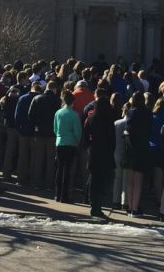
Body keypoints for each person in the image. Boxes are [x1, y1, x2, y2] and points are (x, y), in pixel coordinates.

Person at [84, 89, 116, 219]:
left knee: (93, 178)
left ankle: (93, 204)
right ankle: (98, 205)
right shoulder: (108, 119)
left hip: (93, 151)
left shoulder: (90, 118)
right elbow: (112, 138)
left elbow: (86, 136)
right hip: (105, 153)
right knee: (102, 180)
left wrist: (88, 147)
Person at [124, 91, 153, 216]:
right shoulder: (148, 113)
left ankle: (130, 207)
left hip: (131, 148)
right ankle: (135, 208)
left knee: (130, 180)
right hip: (143, 147)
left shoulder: (131, 112)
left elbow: (128, 130)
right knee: (138, 180)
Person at [28, 81, 60, 189]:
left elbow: (30, 115)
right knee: (50, 160)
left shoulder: (37, 98)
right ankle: (49, 183)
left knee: (38, 158)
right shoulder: (57, 100)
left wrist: (36, 125)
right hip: (52, 133)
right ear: (54, 89)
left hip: (39, 132)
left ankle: (36, 182)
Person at [53, 90, 82, 202]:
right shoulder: (74, 115)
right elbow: (77, 132)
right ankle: (64, 196)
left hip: (60, 142)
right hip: (71, 143)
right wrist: (77, 142)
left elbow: (55, 129)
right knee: (68, 170)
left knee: (59, 169)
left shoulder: (58, 113)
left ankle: (57, 194)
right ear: (72, 102)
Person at [14, 82, 41, 186]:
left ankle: (20, 179)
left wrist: (18, 129)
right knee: (34, 156)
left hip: (23, 131)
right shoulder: (40, 99)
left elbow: (17, 115)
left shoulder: (22, 98)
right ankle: (34, 179)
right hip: (35, 132)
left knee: (22, 156)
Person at [112, 97, 129, 209]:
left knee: (117, 178)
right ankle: (124, 202)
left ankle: (115, 200)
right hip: (126, 153)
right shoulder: (131, 123)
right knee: (126, 179)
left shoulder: (116, 123)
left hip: (116, 152)